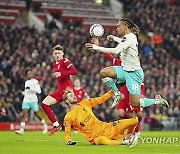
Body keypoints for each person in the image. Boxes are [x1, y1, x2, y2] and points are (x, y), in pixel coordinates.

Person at [85, 18, 169, 109]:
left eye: (118, 26)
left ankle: (157, 100)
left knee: (135, 104)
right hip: (124, 70)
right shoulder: (130, 37)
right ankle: (118, 94)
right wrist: (114, 38)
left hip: (134, 74)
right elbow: (124, 42)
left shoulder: (130, 37)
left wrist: (96, 47)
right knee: (103, 73)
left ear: (125, 26)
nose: (117, 28)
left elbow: (116, 51)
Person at [63, 88, 139, 148]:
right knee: (103, 141)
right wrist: (68, 140)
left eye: (73, 94)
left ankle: (127, 138)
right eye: (71, 96)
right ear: (67, 101)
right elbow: (67, 132)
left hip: (106, 127)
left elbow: (101, 99)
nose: (74, 96)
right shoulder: (68, 117)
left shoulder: (85, 103)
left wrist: (113, 90)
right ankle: (126, 142)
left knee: (134, 121)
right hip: (96, 137)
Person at [41, 45, 78, 136]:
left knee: (75, 112)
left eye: (59, 53)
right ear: (53, 55)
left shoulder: (65, 61)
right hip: (60, 92)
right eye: (55, 53)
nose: (57, 55)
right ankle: (56, 125)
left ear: (63, 54)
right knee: (44, 103)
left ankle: (87, 126)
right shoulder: (55, 64)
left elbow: (74, 71)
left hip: (68, 91)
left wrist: (61, 73)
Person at [15, 70, 47, 135]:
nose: (28, 75)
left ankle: (45, 126)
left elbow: (39, 91)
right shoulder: (26, 82)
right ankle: (21, 130)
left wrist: (31, 88)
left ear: (32, 75)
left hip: (33, 100)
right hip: (26, 100)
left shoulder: (35, 82)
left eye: (29, 74)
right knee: (24, 114)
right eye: (27, 74)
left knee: (37, 114)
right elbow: (27, 91)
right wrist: (23, 93)